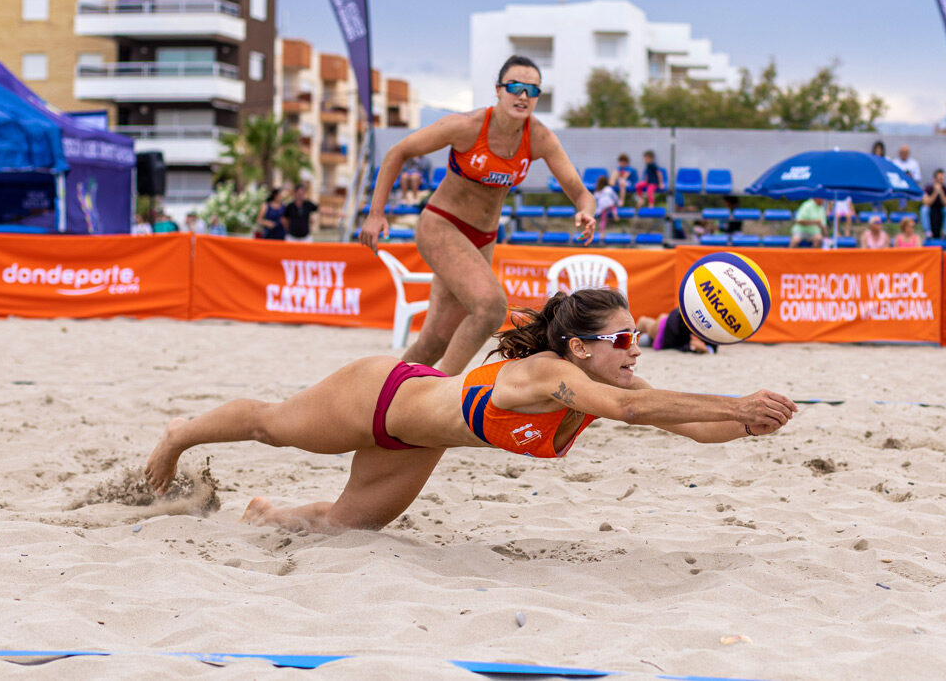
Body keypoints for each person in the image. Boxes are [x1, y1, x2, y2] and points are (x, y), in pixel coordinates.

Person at [145, 289, 797, 533]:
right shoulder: (551, 374)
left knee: (344, 527)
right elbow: (633, 411)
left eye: (636, 337)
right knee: (272, 426)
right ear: (578, 348)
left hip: (420, 439)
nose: (634, 349)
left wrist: (745, 424)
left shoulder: (612, 389)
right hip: (380, 396)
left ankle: (265, 513)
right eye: (622, 339)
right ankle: (180, 435)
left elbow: (691, 427)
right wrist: (735, 401)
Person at [360, 55, 596, 375]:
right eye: (515, 86)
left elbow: (581, 192)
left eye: (532, 89)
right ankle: (444, 393)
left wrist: (585, 211)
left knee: (436, 339)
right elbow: (397, 152)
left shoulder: (538, 137)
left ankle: (380, 392)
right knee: (490, 307)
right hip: (442, 225)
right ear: (498, 90)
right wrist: (376, 213)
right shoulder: (467, 126)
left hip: (482, 238)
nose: (523, 95)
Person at [636, 307, 717, 354]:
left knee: (645, 339)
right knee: (646, 325)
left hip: (671, 333)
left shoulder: (714, 332)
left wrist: (705, 349)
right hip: (666, 328)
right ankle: (640, 325)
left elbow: (712, 346)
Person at [920, 168, 946, 240]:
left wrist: (941, 192)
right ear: (934, 179)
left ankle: (945, 232)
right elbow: (926, 202)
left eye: (942, 179)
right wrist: (935, 192)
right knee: (924, 209)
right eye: (939, 179)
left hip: (942, 209)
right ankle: (927, 232)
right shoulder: (928, 188)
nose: (940, 181)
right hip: (931, 208)